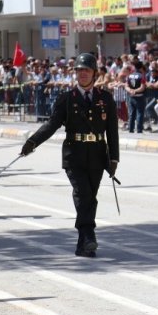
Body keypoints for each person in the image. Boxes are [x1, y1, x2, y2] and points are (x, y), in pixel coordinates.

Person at [19, 53, 119, 257]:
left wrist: (114, 158)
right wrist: (32, 141)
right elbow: (52, 124)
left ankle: (84, 243)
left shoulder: (105, 99)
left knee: (91, 196)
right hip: (74, 155)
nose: (82, 74)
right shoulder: (66, 99)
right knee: (83, 194)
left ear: (95, 74)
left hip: (98, 155)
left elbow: (112, 131)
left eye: (86, 70)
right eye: (79, 70)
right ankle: (89, 233)